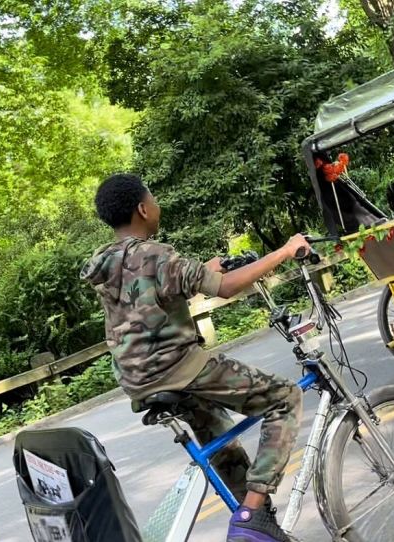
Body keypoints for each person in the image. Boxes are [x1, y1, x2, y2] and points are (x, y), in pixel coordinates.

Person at [80, 173, 306, 542]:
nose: (156, 205)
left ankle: (252, 522)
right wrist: (283, 251)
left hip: (136, 377)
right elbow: (229, 287)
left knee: (215, 427)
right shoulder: (157, 254)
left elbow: (147, 305)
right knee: (285, 398)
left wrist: (202, 272)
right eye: (152, 199)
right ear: (142, 208)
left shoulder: (106, 262)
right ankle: (254, 514)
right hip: (176, 368)